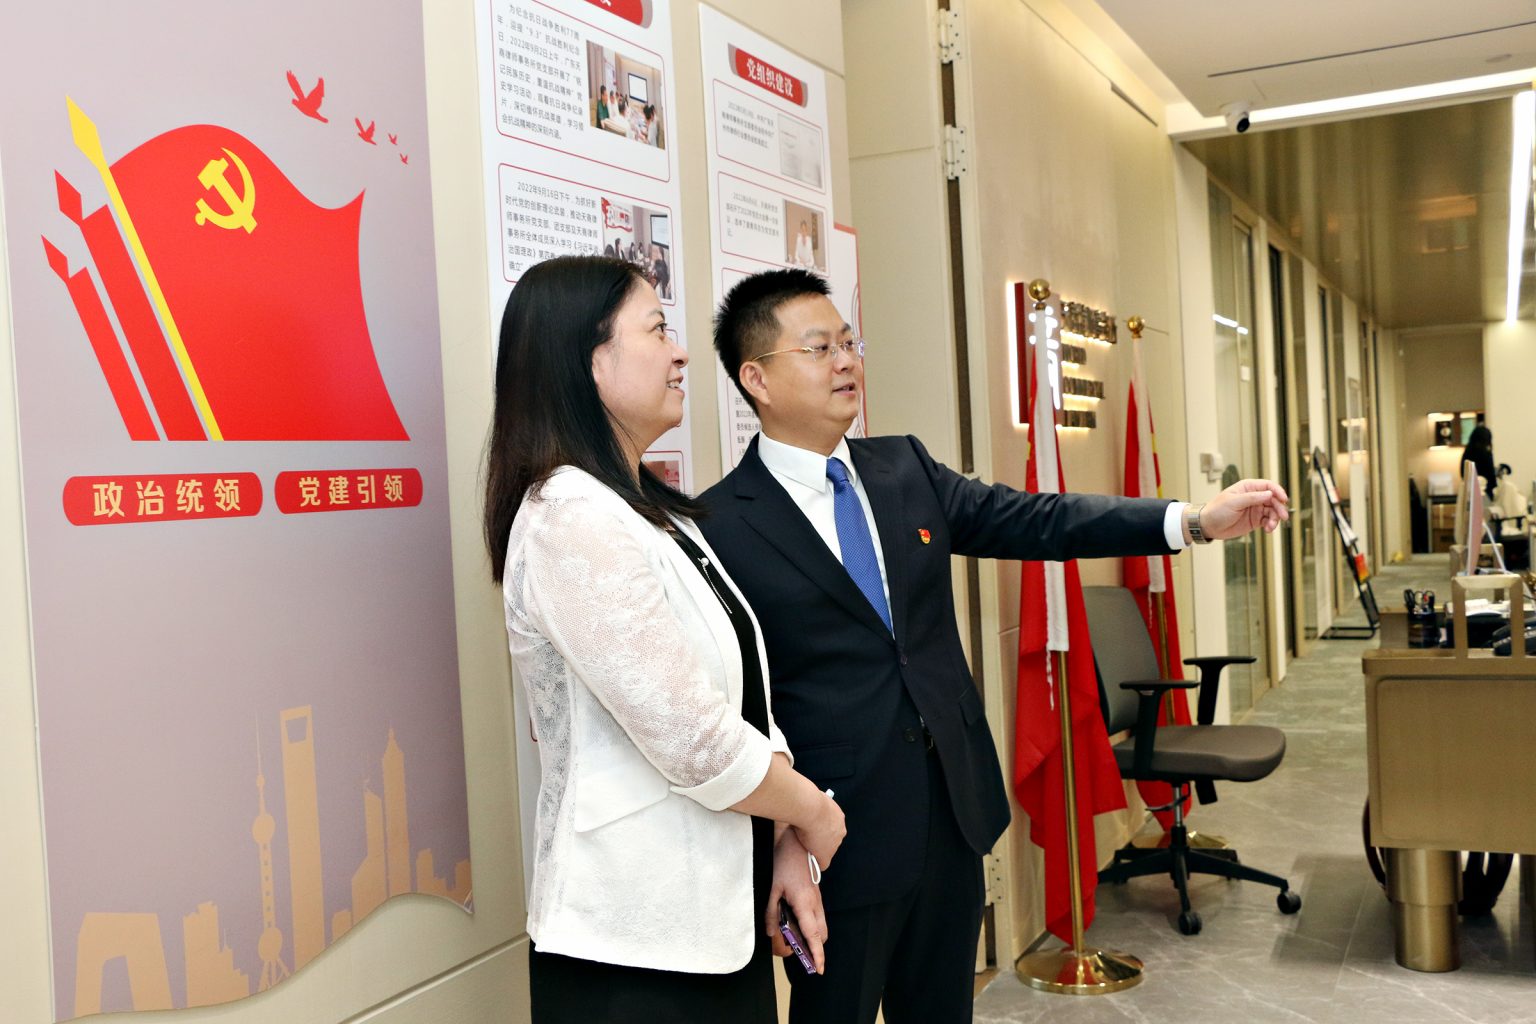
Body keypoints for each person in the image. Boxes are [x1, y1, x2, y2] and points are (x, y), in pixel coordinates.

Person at [698, 268, 1290, 1024]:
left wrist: (1193, 520)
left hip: (952, 813)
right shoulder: (720, 524)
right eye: (820, 348)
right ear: (757, 378)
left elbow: (1040, 519)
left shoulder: (903, 468)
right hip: (835, 838)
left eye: (850, 342)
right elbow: (738, 701)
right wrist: (785, 833)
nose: (846, 362)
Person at [485, 256, 845, 1021]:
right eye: (656, 331)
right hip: (630, 951)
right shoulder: (568, 517)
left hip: (711, 923)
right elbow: (693, 737)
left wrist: (785, 835)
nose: (680, 353)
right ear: (588, 361)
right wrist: (815, 812)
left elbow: (739, 696)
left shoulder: (648, 509)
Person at [1463, 424, 1496, 501]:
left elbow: (1462, 473)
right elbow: (1492, 479)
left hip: (1470, 494)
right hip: (1484, 495)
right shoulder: (1486, 454)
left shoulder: (1467, 453)